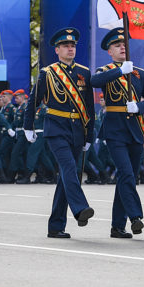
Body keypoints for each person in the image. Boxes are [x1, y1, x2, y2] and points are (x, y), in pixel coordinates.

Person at [23, 27, 96, 238]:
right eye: (65, 46)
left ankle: (56, 226)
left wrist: (89, 136)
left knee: (66, 178)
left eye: (73, 45)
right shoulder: (48, 72)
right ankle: (80, 208)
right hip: (56, 129)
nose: (70, 49)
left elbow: (89, 108)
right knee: (69, 168)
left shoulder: (84, 73)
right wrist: (28, 126)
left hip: (77, 131)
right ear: (57, 50)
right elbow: (33, 101)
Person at [91, 28, 144, 239]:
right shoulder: (106, 70)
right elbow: (95, 82)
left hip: (136, 130)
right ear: (110, 51)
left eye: (124, 45)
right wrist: (120, 71)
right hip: (115, 130)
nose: (122, 48)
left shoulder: (140, 73)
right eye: (117, 46)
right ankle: (135, 217)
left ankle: (117, 226)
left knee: (126, 177)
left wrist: (139, 107)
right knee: (126, 173)